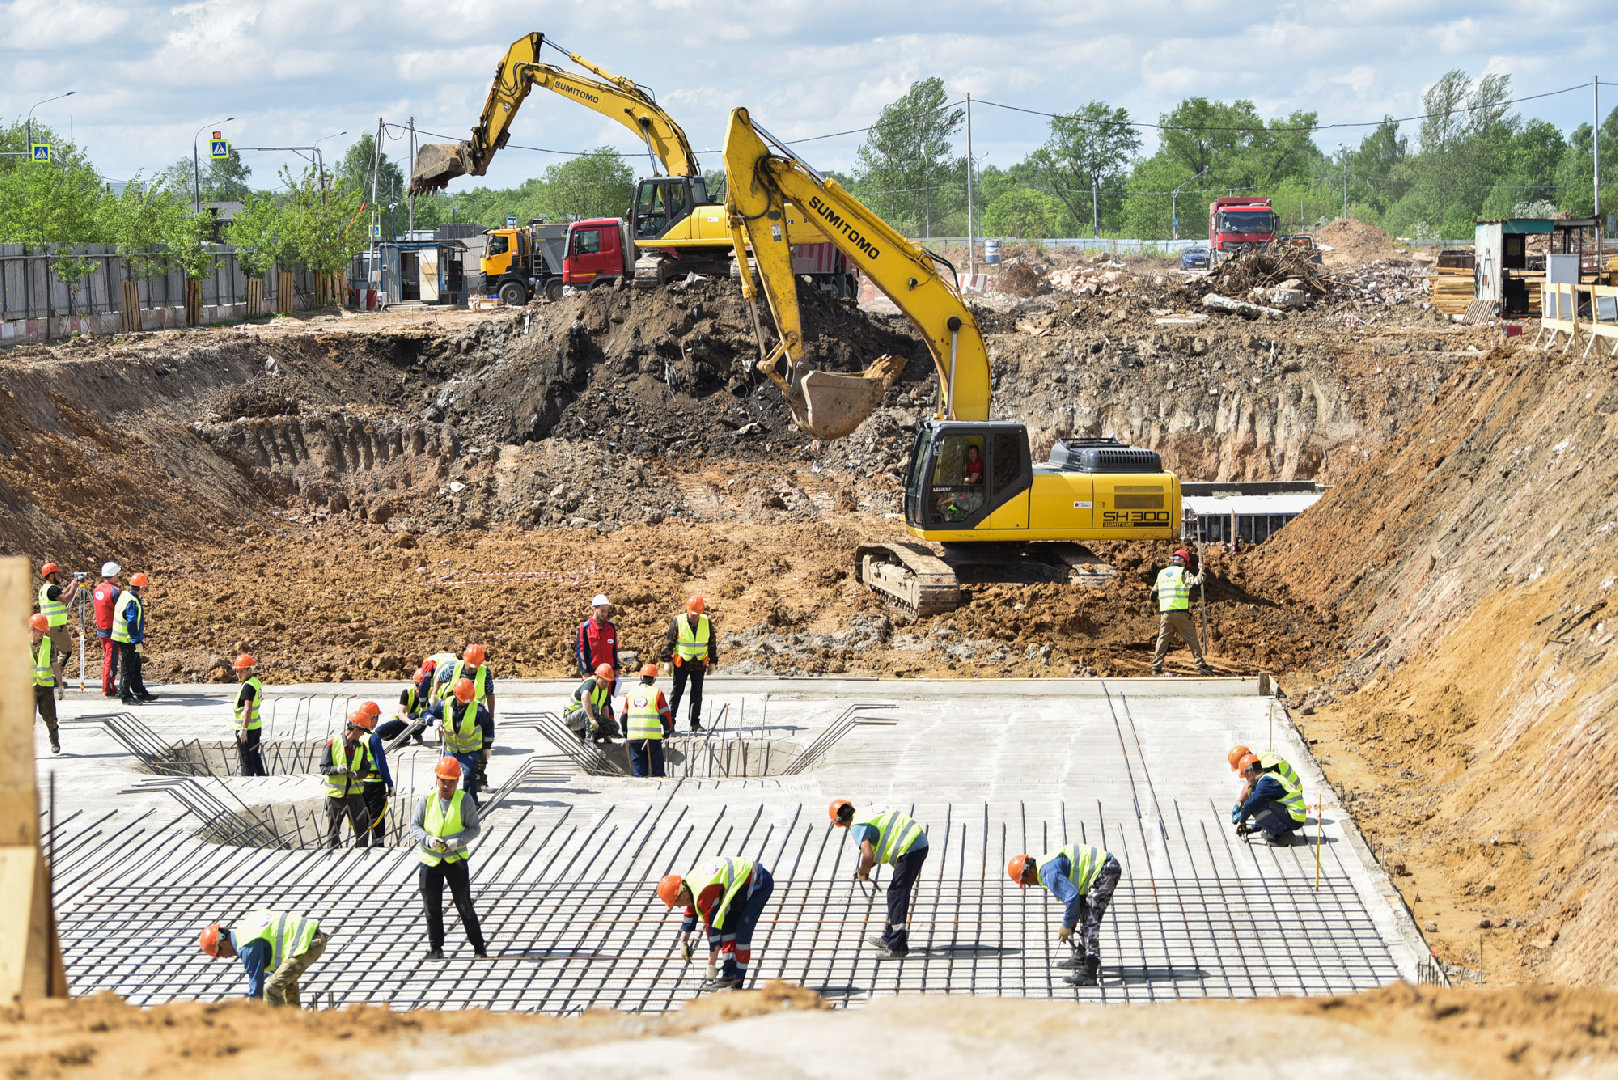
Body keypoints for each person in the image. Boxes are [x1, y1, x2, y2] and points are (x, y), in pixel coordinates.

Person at [1008, 842, 1123, 987]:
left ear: (1029, 871)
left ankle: (1090, 971)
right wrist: (1074, 918)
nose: (1029, 885)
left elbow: (1072, 896)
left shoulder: (1047, 873)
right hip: (1101, 870)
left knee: (1091, 920)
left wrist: (1066, 925)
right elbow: (1077, 895)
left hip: (1105, 870)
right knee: (1085, 912)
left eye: (1025, 882)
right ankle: (1081, 954)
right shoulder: (1045, 865)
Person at [657, 855, 775, 990]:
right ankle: (729, 975)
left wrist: (711, 966)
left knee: (742, 933)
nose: (678, 906)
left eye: (676, 903)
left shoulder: (705, 893)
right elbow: (692, 907)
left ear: (682, 895)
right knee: (727, 929)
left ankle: (738, 982)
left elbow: (713, 932)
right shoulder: (690, 883)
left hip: (757, 883)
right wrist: (683, 940)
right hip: (739, 886)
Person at [411, 756, 488, 959]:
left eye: (451, 782)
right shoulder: (426, 799)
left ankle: (479, 947)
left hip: (455, 861)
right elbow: (415, 826)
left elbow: (474, 828)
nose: (446, 785)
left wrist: (458, 841)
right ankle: (436, 948)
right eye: (443, 781)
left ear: (457, 781)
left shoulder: (465, 800)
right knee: (432, 906)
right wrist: (428, 840)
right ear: (437, 779)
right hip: (430, 861)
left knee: (463, 904)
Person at [830, 800, 928, 959]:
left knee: (896, 894)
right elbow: (877, 852)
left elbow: (868, 856)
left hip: (910, 848)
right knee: (897, 893)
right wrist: (865, 868)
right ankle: (889, 937)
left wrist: (862, 871)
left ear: (838, 823)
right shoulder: (867, 813)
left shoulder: (856, 826)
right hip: (916, 841)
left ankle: (898, 946)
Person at [198, 911, 327, 1006]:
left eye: (219, 954)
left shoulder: (247, 945)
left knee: (270, 990)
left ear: (223, 944)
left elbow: (256, 984)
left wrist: (256, 1016)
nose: (224, 957)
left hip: (307, 943)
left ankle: (278, 1031)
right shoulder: (247, 928)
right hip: (311, 938)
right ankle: (297, 1024)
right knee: (286, 984)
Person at [423, 678, 492, 804]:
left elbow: (488, 726)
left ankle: (470, 804)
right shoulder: (444, 705)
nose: (465, 703)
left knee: (469, 774)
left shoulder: (478, 709)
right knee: (446, 775)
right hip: (452, 749)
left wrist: (487, 747)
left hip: (471, 750)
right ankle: (445, 801)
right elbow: (427, 713)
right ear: (455, 695)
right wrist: (432, 721)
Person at [1148, 548, 1212, 677]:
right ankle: (1201, 666)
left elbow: (1153, 594)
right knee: (1191, 638)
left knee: (1162, 639)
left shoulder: (1161, 573)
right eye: (1185, 562)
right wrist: (1201, 571)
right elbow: (1197, 583)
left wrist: (1156, 607)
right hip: (1181, 612)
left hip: (1165, 613)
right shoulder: (1183, 572)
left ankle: (1156, 667)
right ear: (1182, 560)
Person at [661, 596, 716, 732]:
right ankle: (671, 721)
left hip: (699, 664)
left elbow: (712, 643)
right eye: (692, 614)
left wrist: (713, 662)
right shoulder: (678, 621)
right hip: (682, 664)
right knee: (676, 693)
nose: (694, 617)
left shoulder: (706, 622)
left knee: (697, 694)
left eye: (697, 614)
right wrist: (667, 661)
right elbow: (668, 642)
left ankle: (695, 723)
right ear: (687, 610)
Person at [444, 645, 495, 788]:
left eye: (475, 666)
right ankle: (450, 781)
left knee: (479, 748)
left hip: (476, 714)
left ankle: (479, 779)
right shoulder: (454, 668)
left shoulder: (485, 673)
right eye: (470, 665)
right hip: (455, 712)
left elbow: (490, 695)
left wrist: (491, 717)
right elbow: (438, 679)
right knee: (453, 747)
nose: (473, 669)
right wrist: (435, 695)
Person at [321, 710, 373, 849]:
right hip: (336, 797)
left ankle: (361, 856)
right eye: (362, 731)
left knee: (362, 832)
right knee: (333, 832)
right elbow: (324, 769)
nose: (362, 735)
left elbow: (366, 769)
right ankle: (332, 858)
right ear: (355, 729)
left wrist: (357, 774)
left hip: (356, 797)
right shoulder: (332, 744)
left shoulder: (361, 747)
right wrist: (338, 770)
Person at [1232, 751, 1306, 845]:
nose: (1247, 780)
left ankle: (1285, 836)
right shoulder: (1268, 777)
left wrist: (1242, 820)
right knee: (1259, 802)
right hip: (1295, 814)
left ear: (1250, 773)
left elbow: (1251, 804)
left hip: (1295, 817)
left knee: (1256, 805)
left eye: (1245, 776)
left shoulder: (1266, 783)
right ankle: (1280, 832)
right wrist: (1253, 828)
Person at [35, 562, 81, 690]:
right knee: (66, 652)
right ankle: (53, 677)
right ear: (50, 576)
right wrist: (74, 588)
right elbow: (65, 599)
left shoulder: (44, 589)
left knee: (52, 653)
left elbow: (59, 595)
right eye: (57, 574)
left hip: (47, 626)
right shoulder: (52, 589)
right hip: (56, 626)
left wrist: (69, 587)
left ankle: (49, 677)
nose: (59, 576)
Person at [112, 572, 155, 705]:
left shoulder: (125, 595)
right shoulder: (132, 601)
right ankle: (125, 695)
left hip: (124, 637)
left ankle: (139, 691)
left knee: (136, 665)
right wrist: (136, 640)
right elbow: (131, 622)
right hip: (128, 640)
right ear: (141, 588)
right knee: (128, 667)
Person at [625, 664, 672, 778]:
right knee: (658, 773)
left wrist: (625, 733)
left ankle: (642, 792)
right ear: (654, 680)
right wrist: (667, 732)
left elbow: (623, 717)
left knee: (640, 773)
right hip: (653, 739)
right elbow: (665, 717)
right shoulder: (657, 693)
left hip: (634, 739)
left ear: (640, 677)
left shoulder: (631, 693)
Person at [358, 701, 395, 847]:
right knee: (377, 820)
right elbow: (381, 764)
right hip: (374, 785)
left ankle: (361, 846)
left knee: (361, 818)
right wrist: (389, 783)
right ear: (371, 718)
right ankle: (377, 847)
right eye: (377, 718)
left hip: (359, 784)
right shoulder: (373, 738)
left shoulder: (357, 736)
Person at [378, 661, 435, 744]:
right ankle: (405, 735)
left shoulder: (430, 694)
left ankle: (416, 735)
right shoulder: (407, 692)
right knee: (382, 731)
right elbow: (401, 713)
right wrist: (409, 722)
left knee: (415, 716)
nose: (419, 689)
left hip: (419, 722)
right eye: (417, 686)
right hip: (405, 721)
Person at [563, 663, 620, 743]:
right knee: (593, 708)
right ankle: (589, 741)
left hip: (586, 718)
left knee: (613, 726)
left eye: (608, 682)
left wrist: (606, 735)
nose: (606, 684)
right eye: (604, 681)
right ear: (598, 677)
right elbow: (584, 697)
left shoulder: (605, 690)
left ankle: (583, 735)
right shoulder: (591, 682)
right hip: (572, 717)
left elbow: (605, 709)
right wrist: (592, 719)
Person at [30, 614, 60, 754]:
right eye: (40, 630)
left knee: (50, 718)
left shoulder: (49, 643)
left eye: (44, 631)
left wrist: (60, 685)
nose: (43, 633)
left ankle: (54, 740)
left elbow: (55, 665)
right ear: (32, 629)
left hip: (45, 688)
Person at [232, 654, 266, 776]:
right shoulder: (256, 682)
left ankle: (248, 782)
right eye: (237, 671)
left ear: (249, 670)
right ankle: (262, 778)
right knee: (255, 757)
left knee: (246, 762)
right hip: (256, 727)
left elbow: (248, 709)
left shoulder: (248, 686)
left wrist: (243, 730)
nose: (238, 674)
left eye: (241, 671)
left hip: (247, 730)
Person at [91, 563, 121, 697]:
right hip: (112, 630)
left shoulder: (98, 589)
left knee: (108, 657)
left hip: (101, 628)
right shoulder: (115, 591)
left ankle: (107, 685)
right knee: (111, 659)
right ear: (114, 575)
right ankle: (108, 687)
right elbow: (121, 611)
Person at [576, 594, 619, 677]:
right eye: (602, 611)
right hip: (593, 674)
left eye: (606, 611)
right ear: (594, 609)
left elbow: (614, 650)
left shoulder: (611, 627)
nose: (605, 613)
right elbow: (581, 652)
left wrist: (616, 668)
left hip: (609, 673)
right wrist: (584, 672)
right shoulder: (585, 628)